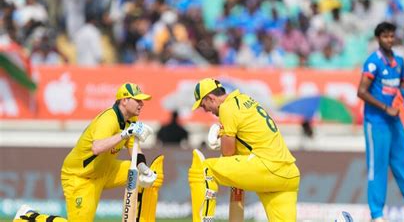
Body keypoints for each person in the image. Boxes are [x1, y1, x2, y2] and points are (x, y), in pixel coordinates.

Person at [13, 83, 163, 222]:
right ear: (124, 100)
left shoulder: (131, 119)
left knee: (144, 177)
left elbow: (134, 148)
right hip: (81, 176)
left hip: (106, 169)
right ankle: (29, 217)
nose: (142, 104)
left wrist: (144, 169)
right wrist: (125, 134)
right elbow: (96, 148)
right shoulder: (108, 119)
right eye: (138, 100)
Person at [188, 78, 300, 221]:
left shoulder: (227, 108)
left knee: (204, 168)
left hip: (267, 166)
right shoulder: (245, 99)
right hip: (289, 174)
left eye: (204, 106)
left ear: (211, 98)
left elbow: (228, 154)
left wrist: (221, 136)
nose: (206, 110)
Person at [357, 22, 404, 222]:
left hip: (395, 122)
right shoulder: (373, 62)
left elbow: (402, 81)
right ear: (378, 38)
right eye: (385, 36)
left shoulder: (399, 61)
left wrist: (403, 95)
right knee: (377, 168)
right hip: (376, 122)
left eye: (392, 36)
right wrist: (385, 107)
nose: (389, 40)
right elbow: (361, 92)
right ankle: (377, 215)